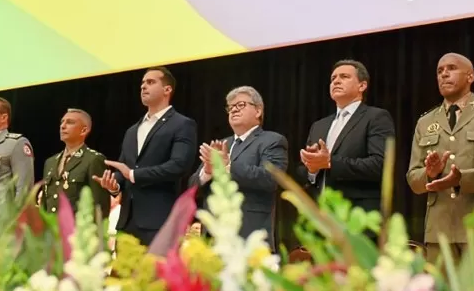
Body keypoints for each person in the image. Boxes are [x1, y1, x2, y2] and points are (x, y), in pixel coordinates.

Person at [406, 53, 474, 264]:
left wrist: (461, 180)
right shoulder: (425, 122)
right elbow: (414, 180)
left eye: (451, 68)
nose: (444, 74)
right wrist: (430, 174)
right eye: (440, 71)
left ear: (470, 76)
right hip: (439, 232)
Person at [95, 67, 198, 246]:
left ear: (167, 90)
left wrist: (134, 175)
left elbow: (179, 165)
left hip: (159, 221)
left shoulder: (182, 124)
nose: (143, 87)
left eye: (150, 82)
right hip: (127, 222)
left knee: (156, 274)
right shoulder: (132, 131)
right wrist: (114, 184)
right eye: (142, 83)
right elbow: (124, 168)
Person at [188, 86, 288, 249]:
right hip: (214, 236)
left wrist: (228, 165)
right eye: (230, 107)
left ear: (258, 111)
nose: (234, 110)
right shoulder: (222, 144)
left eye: (240, 105)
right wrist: (207, 171)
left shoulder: (272, 141)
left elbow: (271, 179)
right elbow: (192, 187)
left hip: (248, 235)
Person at [298, 59, 395, 215]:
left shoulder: (376, 117)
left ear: (362, 86)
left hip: (357, 217)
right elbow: (305, 174)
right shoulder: (319, 126)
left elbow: (380, 165)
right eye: (333, 78)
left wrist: (329, 162)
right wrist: (312, 168)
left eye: (344, 77)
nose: (336, 81)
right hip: (320, 218)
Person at [39, 108, 110, 216]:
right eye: (62, 122)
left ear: (84, 130)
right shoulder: (50, 162)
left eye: (70, 122)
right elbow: (46, 203)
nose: (62, 126)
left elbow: (99, 207)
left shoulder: (93, 159)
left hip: (77, 230)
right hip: (52, 230)